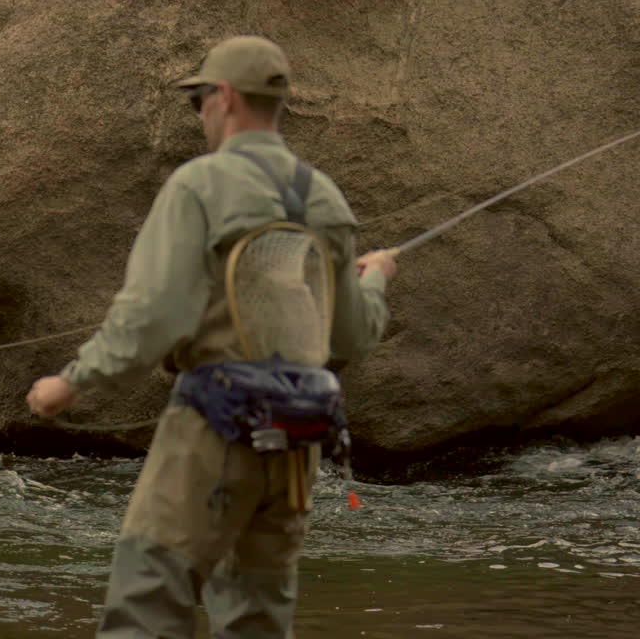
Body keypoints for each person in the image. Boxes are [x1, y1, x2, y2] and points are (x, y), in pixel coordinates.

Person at [25, 35, 397, 638]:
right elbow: (352, 336)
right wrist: (376, 280)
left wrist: (69, 384)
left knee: (148, 601)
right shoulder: (324, 196)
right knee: (257, 618)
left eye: (199, 97)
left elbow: (153, 317)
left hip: (212, 426)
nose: (200, 111)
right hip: (298, 441)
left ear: (224, 97)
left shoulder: (201, 185)